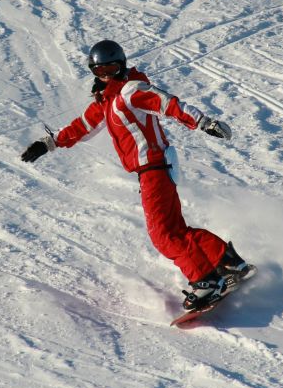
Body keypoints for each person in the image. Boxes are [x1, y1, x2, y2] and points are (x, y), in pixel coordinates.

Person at [20, 40, 252, 310]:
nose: (105, 74)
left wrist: (204, 122)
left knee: (164, 235)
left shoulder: (131, 90)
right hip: (152, 169)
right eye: (99, 70)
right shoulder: (107, 99)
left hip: (153, 166)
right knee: (175, 229)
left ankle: (206, 282)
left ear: (122, 64)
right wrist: (48, 143)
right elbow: (82, 126)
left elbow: (168, 104)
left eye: (110, 67)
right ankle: (226, 261)